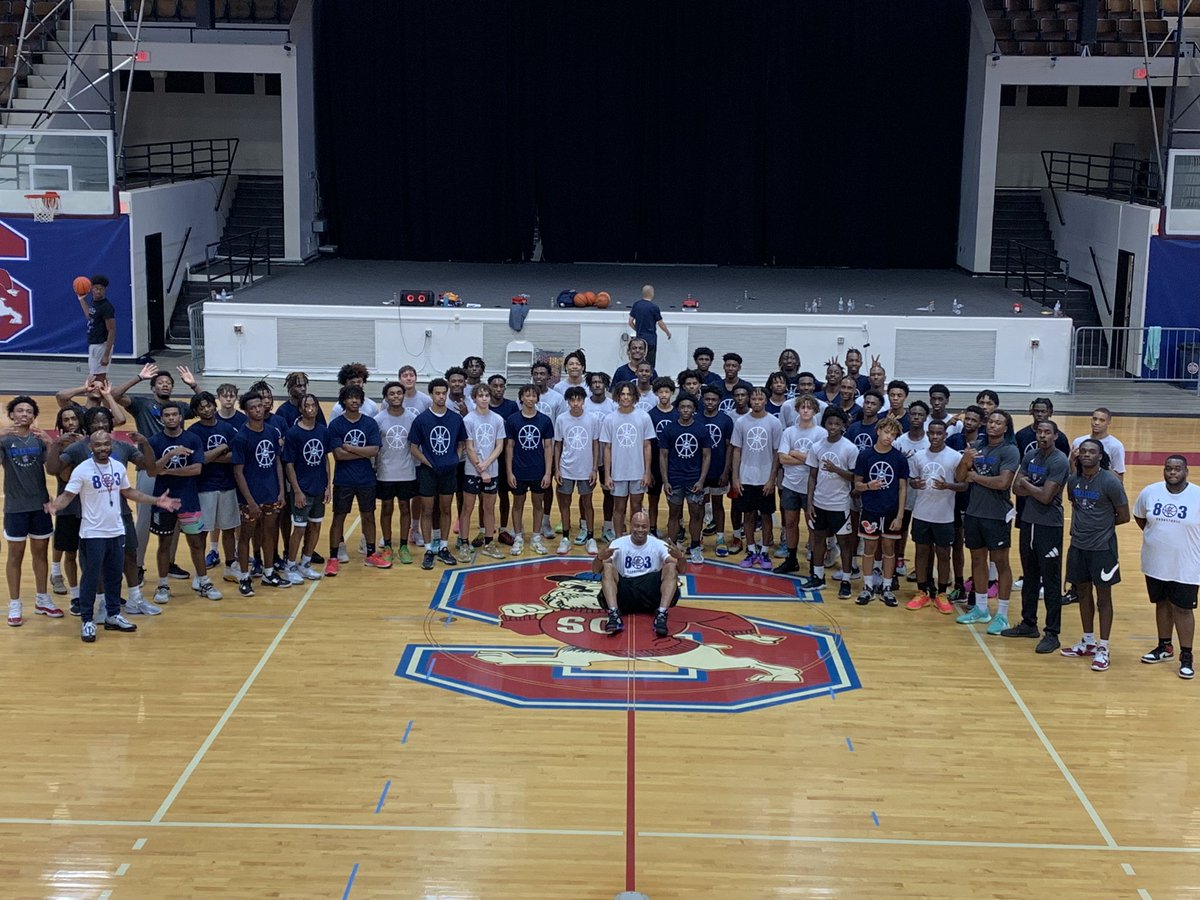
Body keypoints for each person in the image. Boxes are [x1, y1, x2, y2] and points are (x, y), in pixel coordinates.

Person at [45, 430, 180, 643]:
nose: (102, 448)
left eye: (106, 444)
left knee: (114, 575)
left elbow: (129, 492)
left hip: (116, 531)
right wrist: (55, 506)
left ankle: (113, 614)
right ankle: (88, 620)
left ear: (112, 445)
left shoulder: (117, 467)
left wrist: (157, 501)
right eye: (98, 445)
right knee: (90, 578)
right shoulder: (82, 470)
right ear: (90, 447)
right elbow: (68, 495)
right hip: (92, 533)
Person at [50, 406, 159, 618]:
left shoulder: (122, 446)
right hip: (91, 515)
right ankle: (100, 603)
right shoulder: (78, 448)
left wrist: (145, 443)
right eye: (94, 422)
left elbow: (150, 467)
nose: (100, 425)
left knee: (130, 555)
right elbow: (53, 469)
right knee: (95, 561)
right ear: (87, 426)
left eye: (104, 421)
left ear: (110, 423)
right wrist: (56, 445)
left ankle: (135, 598)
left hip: (121, 512)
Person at [112, 361, 200, 580]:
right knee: (144, 519)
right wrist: (138, 377)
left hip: (176, 472)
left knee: (176, 518)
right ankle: (138, 566)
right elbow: (114, 395)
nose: (164, 385)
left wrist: (193, 385)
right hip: (150, 470)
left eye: (168, 383)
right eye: (160, 382)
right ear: (153, 387)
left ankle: (168, 563)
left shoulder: (178, 407)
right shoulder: (142, 404)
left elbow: (204, 404)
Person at [1060, 438, 1129, 672]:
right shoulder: (1074, 480)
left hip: (1103, 548)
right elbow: (1076, 505)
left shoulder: (1110, 481)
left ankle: (1104, 647)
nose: (1087, 455)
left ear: (1100, 456)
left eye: (1092, 452)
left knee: (1104, 597)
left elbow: (1124, 515)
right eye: (1084, 451)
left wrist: (1102, 528)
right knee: (1082, 592)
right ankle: (1088, 641)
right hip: (1078, 546)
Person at [1002, 419, 1068, 653]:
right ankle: (1029, 623)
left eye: (1047, 432)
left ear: (1055, 436)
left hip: (1049, 526)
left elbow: (1046, 496)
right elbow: (1014, 488)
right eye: (1039, 432)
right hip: (1028, 521)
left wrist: (1027, 485)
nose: (1042, 436)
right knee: (1030, 576)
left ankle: (1052, 632)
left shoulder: (1059, 460)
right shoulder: (1030, 457)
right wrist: (1030, 487)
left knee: (1049, 580)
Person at [1134, 455, 1200, 679]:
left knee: (1182, 609)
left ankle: (1187, 656)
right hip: (1155, 562)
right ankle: (1164, 647)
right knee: (1161, 604)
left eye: (1177, 469)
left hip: (1186, 565)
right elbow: (1140, 517)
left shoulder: (1197, 496)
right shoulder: (1150, 492)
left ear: (1186, 472)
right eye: (1168, 468)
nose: (1172, 472)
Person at [148, 405, 220, 604]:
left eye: (174, 415)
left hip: (188, 500)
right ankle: (162, 585)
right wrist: (171, 455)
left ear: (181, 417)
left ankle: (204, 582)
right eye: (167, 415)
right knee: (164, 544)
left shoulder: (192, 439)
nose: (171, 418)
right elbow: (152, 471)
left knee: (196, 542)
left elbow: (196, 469)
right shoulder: (154, 441)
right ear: (161, 418)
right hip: (164, 502)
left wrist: (168, 471)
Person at [955, 410, 1020, 631]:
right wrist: (965, 462)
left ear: (1006, 428)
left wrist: (975, 477)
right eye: (991, 421)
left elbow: (1003, 482)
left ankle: (1002, 614)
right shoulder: (978, 447)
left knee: (1001, 563)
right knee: (977, 561)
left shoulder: (1010, 450)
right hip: (974, 512)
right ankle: (981, 609)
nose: (993, 425)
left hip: (997, 514)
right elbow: (959, 477)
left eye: (998, 423)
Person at [3, 396, 62, 625]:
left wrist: (50, 443)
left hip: (40, 507)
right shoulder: (6, 440)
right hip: (15, 508)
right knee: (15, 556)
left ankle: (42, 599)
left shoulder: (38, 440)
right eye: (20, 410)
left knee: (41, 554)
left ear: (34, 416)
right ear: (12, 415)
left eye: (29, 411)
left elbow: (51, 469)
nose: (25, 414)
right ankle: (15, 603)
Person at [594, 509, 688, 637]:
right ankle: (614, 614)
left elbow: (682, 570)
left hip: (649, 592)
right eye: (637, 526)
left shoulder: (659, 544)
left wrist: (680, 557)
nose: (640, 530)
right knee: (607, 567)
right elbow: (595, 570)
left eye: (644, 526)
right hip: (625, 592)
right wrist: (599, 558)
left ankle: (661, 614)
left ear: (649, 527)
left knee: (671, 566)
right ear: (630, 526)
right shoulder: (618, 544)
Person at [231, 391, 287, 596]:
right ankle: (245, 577)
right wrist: (250, 501)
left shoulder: (272, 432)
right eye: (253, 407)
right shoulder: (241, 437)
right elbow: (238, 471)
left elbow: (277, 463)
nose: (258, 410)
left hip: (271, 494)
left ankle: (269, 572)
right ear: (246, 411)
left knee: (270, 533)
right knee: (246, 536)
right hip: (251, 498)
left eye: (260, 406)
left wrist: (281, 491)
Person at [905, 419, 964, 614]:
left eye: (940, 433)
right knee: (921, 552)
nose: (936, 437)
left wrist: (948, 486)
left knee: (943, 555)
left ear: (945, 435)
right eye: (932, 433)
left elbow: (964, 485)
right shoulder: (918, 456)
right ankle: (922, 591)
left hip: (944, 516)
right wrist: (914, 483)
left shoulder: (955, 457)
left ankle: (941, 593)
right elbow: (912, 479)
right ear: (927, 434)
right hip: (922, 513)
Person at [326, 384, 386, 573]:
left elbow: (374, 450)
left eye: (357, 397)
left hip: (366, 479)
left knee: (368, 516)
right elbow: (338, 455)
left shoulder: (369, 423)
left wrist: (350, 448)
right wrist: (362, 452)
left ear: (361, 400)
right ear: (344, 400)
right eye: (350, 397)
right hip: (343, 479)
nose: (354, 400)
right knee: (338, 518)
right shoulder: (336, 425)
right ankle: (334, 557)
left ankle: (370, 554)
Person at [799, 406, 858, 597]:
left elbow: (855, 477)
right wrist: (809, 502)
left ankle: (846, 580)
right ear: (825, 424)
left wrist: (836, 469)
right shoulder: (817, 446)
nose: (833, 427)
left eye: (837, 424)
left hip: (839, 504)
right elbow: (812, 477)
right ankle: (818, 576)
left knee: (844, 543)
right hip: (819, 502)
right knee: (818, 541)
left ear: (843, 426)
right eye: (830, 423)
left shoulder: (850, 448)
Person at [410, 378, 467, 570]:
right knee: (427, 510)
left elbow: (461, 443)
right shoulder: (422, 419)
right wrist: (429, 463)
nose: (441, 396)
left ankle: (443, 546)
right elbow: (414, 448)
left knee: (445, 509)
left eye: (444, 393)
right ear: (431, 395)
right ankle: (428, 549)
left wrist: (453, 460)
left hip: (448, 471)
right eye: (437, 393)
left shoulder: (455, 418)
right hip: (428, 472)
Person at [853, 417, 907, 606]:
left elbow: (902, 488)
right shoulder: (865, 455)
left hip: (891, 511)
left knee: (889, 549)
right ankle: (867, 586)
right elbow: (857, 484)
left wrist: (900, 516)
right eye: (886, 432)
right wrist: (868, 486)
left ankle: (886, 586)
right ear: (878, 431)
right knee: (869, 548)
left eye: (893, 434)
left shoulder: (899, 458)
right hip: (871, 510)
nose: (889, 437)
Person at [187, 392, 240, 581]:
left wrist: (212, 456)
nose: (206, 409)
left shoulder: (227, 428)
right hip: (204, 488)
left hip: (227, 485)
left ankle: (230, 567)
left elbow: (236, 456)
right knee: (202, 532)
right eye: (201, 407)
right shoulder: (193, 432)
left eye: (208, 405)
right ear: (196, 411)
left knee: (229, 529)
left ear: (214, 405)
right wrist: (220, 448)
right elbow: (200, 460)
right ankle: (200, 574)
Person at [774, 395, 827, 578]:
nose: (805, 410)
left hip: (812, 487)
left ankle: (814, 560)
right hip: (790, 485)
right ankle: (791, 558)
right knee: (790, 522)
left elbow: (819, 461)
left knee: (812, 525)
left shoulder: (821, 433)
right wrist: (806, 458)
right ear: (797, 410)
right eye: (802, 407)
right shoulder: (789, 432)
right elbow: (782, 458)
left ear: (815, 411)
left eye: (809, 407)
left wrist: (795, 453)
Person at [730, 387, 783, 570]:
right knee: (749, 515)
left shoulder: (774, 423)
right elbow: (736, 450)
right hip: (746, 477)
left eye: (760, 399)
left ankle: (765, 550)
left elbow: (777, 453)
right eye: (754, 399)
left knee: (767, 516)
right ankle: (751, 550)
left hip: (765, 478)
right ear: (749, 401)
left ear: (766, 400)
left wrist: (772, 479)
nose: (757, 402)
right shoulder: (741, 422)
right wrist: (735, 477)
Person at [282, 393, 330, 581]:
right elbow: (289, 465)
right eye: (306, 405)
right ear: (300, 409)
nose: (310, 407)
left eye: (313, 404)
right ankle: (291, 565)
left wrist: (328, 487)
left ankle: (305, 563)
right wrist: (297, 491)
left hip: (319, 488)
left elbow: (325, 459)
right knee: (300, 529)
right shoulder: (293, 433)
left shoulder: (323, 431)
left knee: (316, 527)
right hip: (302, 490)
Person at [659, 393, 711, 564]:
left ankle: (695, 547)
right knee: (674, 514)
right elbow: (663, 456)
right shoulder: (669, 429)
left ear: (694, 409)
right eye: (683, 407)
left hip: (694, 480)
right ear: (678, 409)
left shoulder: (701, 429)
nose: (686, 410)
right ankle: (671, 549)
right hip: (674, 479)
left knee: (696, 514)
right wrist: (665, 481)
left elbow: (706, 456)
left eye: (689, 407)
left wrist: (701, 480)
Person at [504, 384, 555, 557]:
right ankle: (518, 537)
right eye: (527, 395)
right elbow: (509, 447)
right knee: (517, 504)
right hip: (518, 470)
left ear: (537, 399)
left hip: (538, 470)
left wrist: (548, 472)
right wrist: (509, 472)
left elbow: (548, 447)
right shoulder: (512, 420)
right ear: (521, 398)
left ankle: (535, 538)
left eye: (534, 396)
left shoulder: (545, 421)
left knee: (538, 504)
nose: (531, 399)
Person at [600, 381, 655, 538]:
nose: (625, 397)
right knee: (619, 507)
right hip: (618, 473)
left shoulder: (643, 417)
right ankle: (618, 540)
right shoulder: (610, 419)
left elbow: (647, 446)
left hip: (638, 472)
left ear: (634, 397)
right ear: (617, 396)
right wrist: (607, 474)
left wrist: (647, 472)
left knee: (637, 507)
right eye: (622, 394)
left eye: (629, 394)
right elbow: (607, 448)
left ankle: (635, 538)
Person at [373, 380, 418, 565]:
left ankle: (404, 546)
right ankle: (388, 546)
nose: (396, 396)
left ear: (403, 395)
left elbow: (416, 445)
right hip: (385, 472)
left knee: (405, 508)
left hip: (407, 471)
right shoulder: (378, 419)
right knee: (386, 509)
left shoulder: (412, 418)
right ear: (386, 397)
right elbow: (375, 447)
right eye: (392, 393)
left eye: (399, 393)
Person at [461, 383, 507, 560]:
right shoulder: (468, 420)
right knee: (467, 508)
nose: (484, 398)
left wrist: (487, 465)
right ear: (474, 398)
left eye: (486, 395)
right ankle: (464, 543)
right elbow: (469, 447)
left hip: (491, 471)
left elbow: (500, 445)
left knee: (489, 508)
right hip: (472, 471)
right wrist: (480, 469)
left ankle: (489, 543)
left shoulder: (497, 419)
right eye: (480, 396)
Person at [554, 386, 600, 556]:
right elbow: (558, 444)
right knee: (565, 503)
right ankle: (566, 537)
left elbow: (596, 444)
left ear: (583, 400)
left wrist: (594, 469)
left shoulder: (592, 419)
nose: (575, 403)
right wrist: (557, 469)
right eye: (572, 400)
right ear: (568, 401)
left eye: (578, 399)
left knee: (587, 503)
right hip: (566, 469)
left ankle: (590, 537)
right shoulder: (561, 419)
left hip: (586, 469)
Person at [700, 385, 734, 557]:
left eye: (714, 399)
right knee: (698, 505)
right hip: (700, 472)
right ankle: (697, 538)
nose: (710, 402)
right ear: (702, 400)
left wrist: (726, 470)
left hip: (719, 469)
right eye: (707, 399)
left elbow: (729, 447)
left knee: (718, 504)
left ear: (719, 401)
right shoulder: (696, 418)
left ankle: (720, 538)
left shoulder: (726, 420)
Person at [78, 274, 115, 380]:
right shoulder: (94, 303)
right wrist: (81, 300)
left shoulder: (106, 307)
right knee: (97, 376)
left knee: (98, 376)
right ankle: (105, 395)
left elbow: (112, 330)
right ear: (91, 289)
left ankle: (105, 396)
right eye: (96, 288)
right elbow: (90, 316)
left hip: (102, 345)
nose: (98, 291)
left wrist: (106, 354)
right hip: (94, 344)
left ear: (105, 290)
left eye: (101, 289)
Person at [629, 284, 671, 367]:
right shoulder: (654, 307)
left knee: (638, 363)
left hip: (639, 339)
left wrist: (637, 330)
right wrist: (667, 332)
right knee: (650, 364)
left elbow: (630, 321)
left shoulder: (636, 305)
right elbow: (660, 323)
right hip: (651, 340)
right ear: (652, 293)